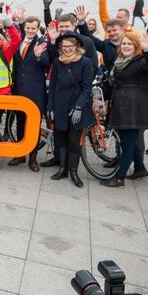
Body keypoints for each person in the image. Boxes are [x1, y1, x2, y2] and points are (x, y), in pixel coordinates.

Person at [101, 33, 148, 187]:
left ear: (136, 46)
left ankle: (119, 178)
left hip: (133, 108)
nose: (126, 46)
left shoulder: (142, 61)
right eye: (124, 43)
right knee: (130, 141)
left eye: (129, 44)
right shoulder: (119, 61)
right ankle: (140, 168)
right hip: (120, 105)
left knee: (127, 144)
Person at [48, 32, 95, 188]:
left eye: (70, 46)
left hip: (76, 106)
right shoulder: (57, 62)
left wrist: (79, 107)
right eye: (64, 46)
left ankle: (73, 171)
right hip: (60, 106)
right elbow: (53, 86)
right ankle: (63, 169)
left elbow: (87, 88)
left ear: (77, 47)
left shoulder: (85, 62)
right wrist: (50, 107)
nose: (67, 49)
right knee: (60, 137)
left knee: (74, 141)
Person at [9, 16, 49, 171]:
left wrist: (39, 56)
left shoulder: (41, 43)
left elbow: (46, 64)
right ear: (24, 27)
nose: (31, 30)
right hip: (19, 89)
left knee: (34, 125)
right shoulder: (18, 41)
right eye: (28, 28)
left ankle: (33, 158)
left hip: (35, 91)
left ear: (37, 28)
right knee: (19, 123)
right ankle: (20, 154)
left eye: (33, 28)